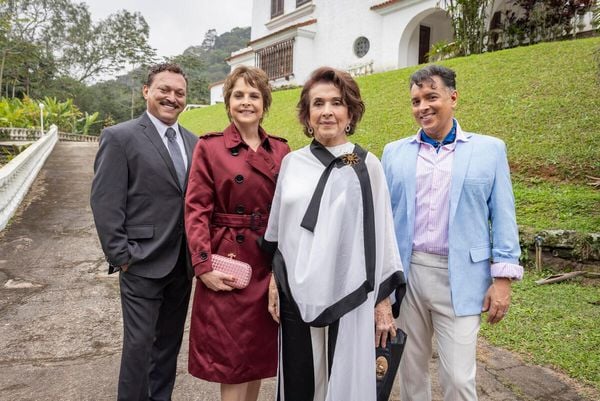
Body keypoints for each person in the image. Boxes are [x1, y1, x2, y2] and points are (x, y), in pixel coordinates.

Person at [262, 66, 405, 401]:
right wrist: (274, 280)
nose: (327, 111)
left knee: (345, 383)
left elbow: (381, 236)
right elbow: (279, 231)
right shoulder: (292, 164)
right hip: (298, 290)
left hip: (351, 292)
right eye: (318, 103)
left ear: (350, 112)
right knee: (301, 380)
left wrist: (382, 301)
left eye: (337, 103)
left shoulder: (366, 166)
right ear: (307, 116)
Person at [381, 64, 523, 401]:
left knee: (458, 378)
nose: (423, 107)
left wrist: (501, 281)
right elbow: (384, 219)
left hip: (462, 275)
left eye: (431, 97)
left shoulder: (489, 150)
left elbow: (503, 215)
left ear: (453, 97)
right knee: (410, 370)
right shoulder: (394, 153)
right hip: (409, 273)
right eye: (416, 101)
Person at [90, 63, 198, 401]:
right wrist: (122, 256)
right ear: (146, 91)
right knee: (138, 349)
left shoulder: (194, 142)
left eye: (179, 93)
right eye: (164, 89)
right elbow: (105, 202)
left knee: (168, 346)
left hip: (182, 265)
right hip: (141, 263)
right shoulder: (120, 137)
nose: (172, 97)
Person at [184, 66, 290, 401]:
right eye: (239, 95)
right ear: (228, 102)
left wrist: (281, 268)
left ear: (265, 103)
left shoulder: (282, 151)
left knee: (257, 356)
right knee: (231, 360)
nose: (246, 102)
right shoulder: (210, 148)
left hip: (266, 262)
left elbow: (287, 212)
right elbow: (196, 210)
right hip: (227, 261)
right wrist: (203, 266)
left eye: (254, 96)